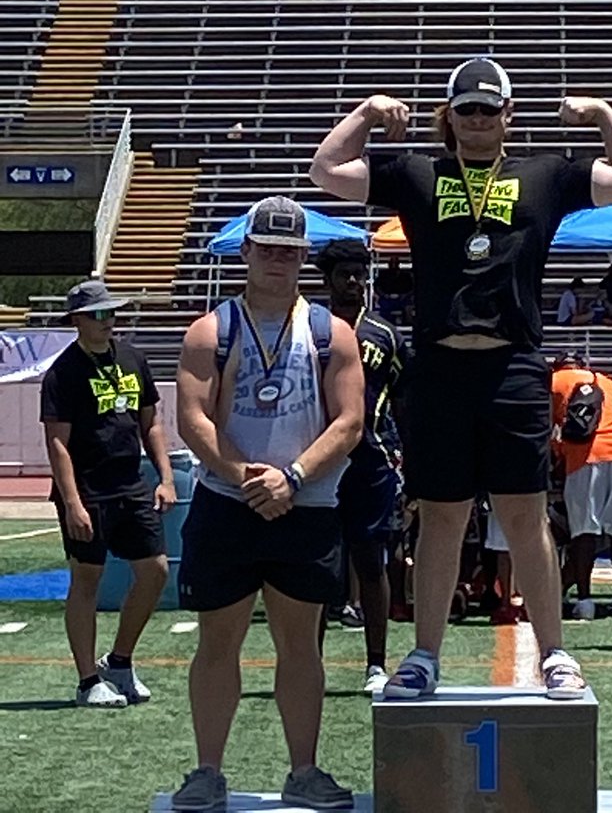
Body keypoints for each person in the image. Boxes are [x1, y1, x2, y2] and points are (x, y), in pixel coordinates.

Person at [310, 55, 612, 700]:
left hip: (514, 367)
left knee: (525, 515)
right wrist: (367, 111)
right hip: (440, 366)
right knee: (441, 517)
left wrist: (603, 113)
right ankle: (424, 656)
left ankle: (554, 653)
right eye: (466, 108)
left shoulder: (544, 175)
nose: (477, 119)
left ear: (507, 115)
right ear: (449, 115)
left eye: (488, 108)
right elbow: (325, 171)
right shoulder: (417, 173)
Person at [172, 197, 364, 812]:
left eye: (290, 251)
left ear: (303, 258)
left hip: (306, 506)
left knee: (300, 645)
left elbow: (350, 422)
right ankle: (207, 770)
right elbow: (192, 417)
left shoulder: (331, 333)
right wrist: (244, 477)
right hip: (227, 505)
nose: (278, 260)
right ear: (247, 251)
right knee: (218, 642)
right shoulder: (211, 330)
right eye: (268, 249)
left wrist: (293, 477)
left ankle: (303, 770)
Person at [40, 279, 174, 708]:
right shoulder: (63, 373)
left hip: (130, 483)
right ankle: (87, 681)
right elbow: (57, 442)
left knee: (155, 570)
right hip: (88, 490)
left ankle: (120, 661)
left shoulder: (133, 358)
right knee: (87, 578)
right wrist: (72, 502)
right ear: (77, 320)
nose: (107, 320)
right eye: (97, 313)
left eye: (111, 312)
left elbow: (151, 423)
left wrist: (166, 477)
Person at [315, 237, 409, 694]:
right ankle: (307, 662)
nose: (353, 281)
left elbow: (406, 397)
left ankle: (375, 664)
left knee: (371, 561)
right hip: (318, 460)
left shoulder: (384, 334)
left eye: (359, 274)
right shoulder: (309, 328)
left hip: (372, 459)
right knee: (316, 564)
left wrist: (409, 456)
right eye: (344, 274)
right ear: (327, 280)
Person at [551, 353, 612, 621]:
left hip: (584, 457)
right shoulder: (606, 381)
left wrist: (557, 454)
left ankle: (584, 600)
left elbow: (547, 427)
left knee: (584, 531)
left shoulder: (554, 381)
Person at [374, 255, 414, 324]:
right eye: (391, 264)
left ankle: (408, 323)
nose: (393, 266)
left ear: (399, 264)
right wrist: (384, 295)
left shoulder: (406, 276)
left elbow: (411, 288)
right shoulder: (383, 275)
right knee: (384, 305)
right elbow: (377, 287)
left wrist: (404, 295)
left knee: (408, 305)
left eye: (395, 263)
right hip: (387, 299)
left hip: (402, 299)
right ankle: (385, 323)